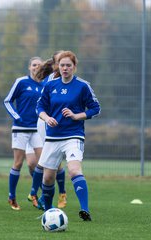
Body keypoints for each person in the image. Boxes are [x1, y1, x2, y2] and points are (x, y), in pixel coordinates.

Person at [36, 51, 100, 221]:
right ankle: (49, 213)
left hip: (74, 135)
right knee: (48, 177)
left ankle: (84, 210)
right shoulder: (50, 86)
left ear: (74, 67)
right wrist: (47, 118)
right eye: (62, 65)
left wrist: (76, 116)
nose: (65, 68)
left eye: (68, 66)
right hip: (53, 137)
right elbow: (40, 107)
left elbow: (95, 108)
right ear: (58, 66)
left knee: (73, 170)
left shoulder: (82, 86)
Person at [28, 52, 68, 210]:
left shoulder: (67, 80)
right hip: (46, 122)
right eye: (60, 62)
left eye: (66, 62)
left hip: (57, 122)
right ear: (55, 64)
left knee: (53, 162)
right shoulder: (52, 80)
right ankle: (41, 195)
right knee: (48, 160)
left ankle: (55, 194)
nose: (64, 64)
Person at [3, 56, 44, 210]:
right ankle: (12, 197)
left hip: (37, 130)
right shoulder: (21, 82)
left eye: (39, 65)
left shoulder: (45, 85)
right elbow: (7, 101)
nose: (36, 67)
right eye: (34, 65)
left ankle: (35, 194)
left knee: (42, 163)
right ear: (29, 67)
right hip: (20, 129)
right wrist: (17, 117)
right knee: (18, 163)